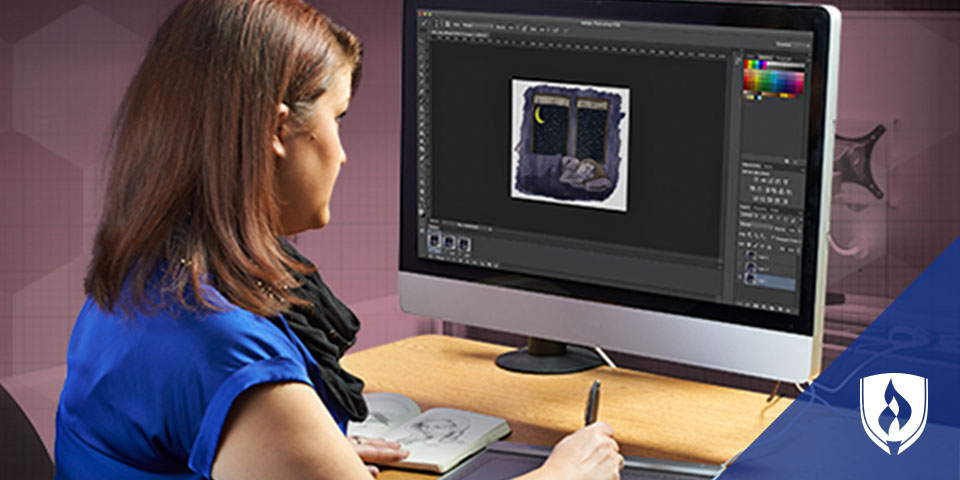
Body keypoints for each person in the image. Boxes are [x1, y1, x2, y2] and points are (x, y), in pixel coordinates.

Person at [54, 0, 624, 479]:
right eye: (338, 117)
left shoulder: (146, 276)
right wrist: (561, 475)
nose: (344, 152)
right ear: (279, 130)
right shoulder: (225, 348)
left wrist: (296, 453)